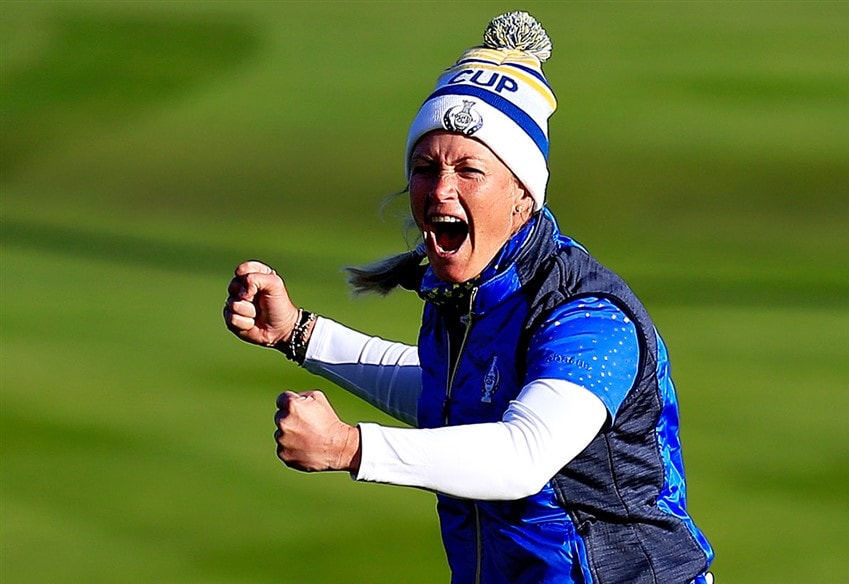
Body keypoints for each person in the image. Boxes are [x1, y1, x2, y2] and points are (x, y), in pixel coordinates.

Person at [224, 11, 714, 584]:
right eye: (425, 168)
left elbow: (522, 455)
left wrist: (349, 447)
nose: (441, 189)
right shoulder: (464, 294)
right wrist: (299, 334)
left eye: (470, 169)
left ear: (521, 194)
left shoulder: (587, 315)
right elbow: (452, 396)